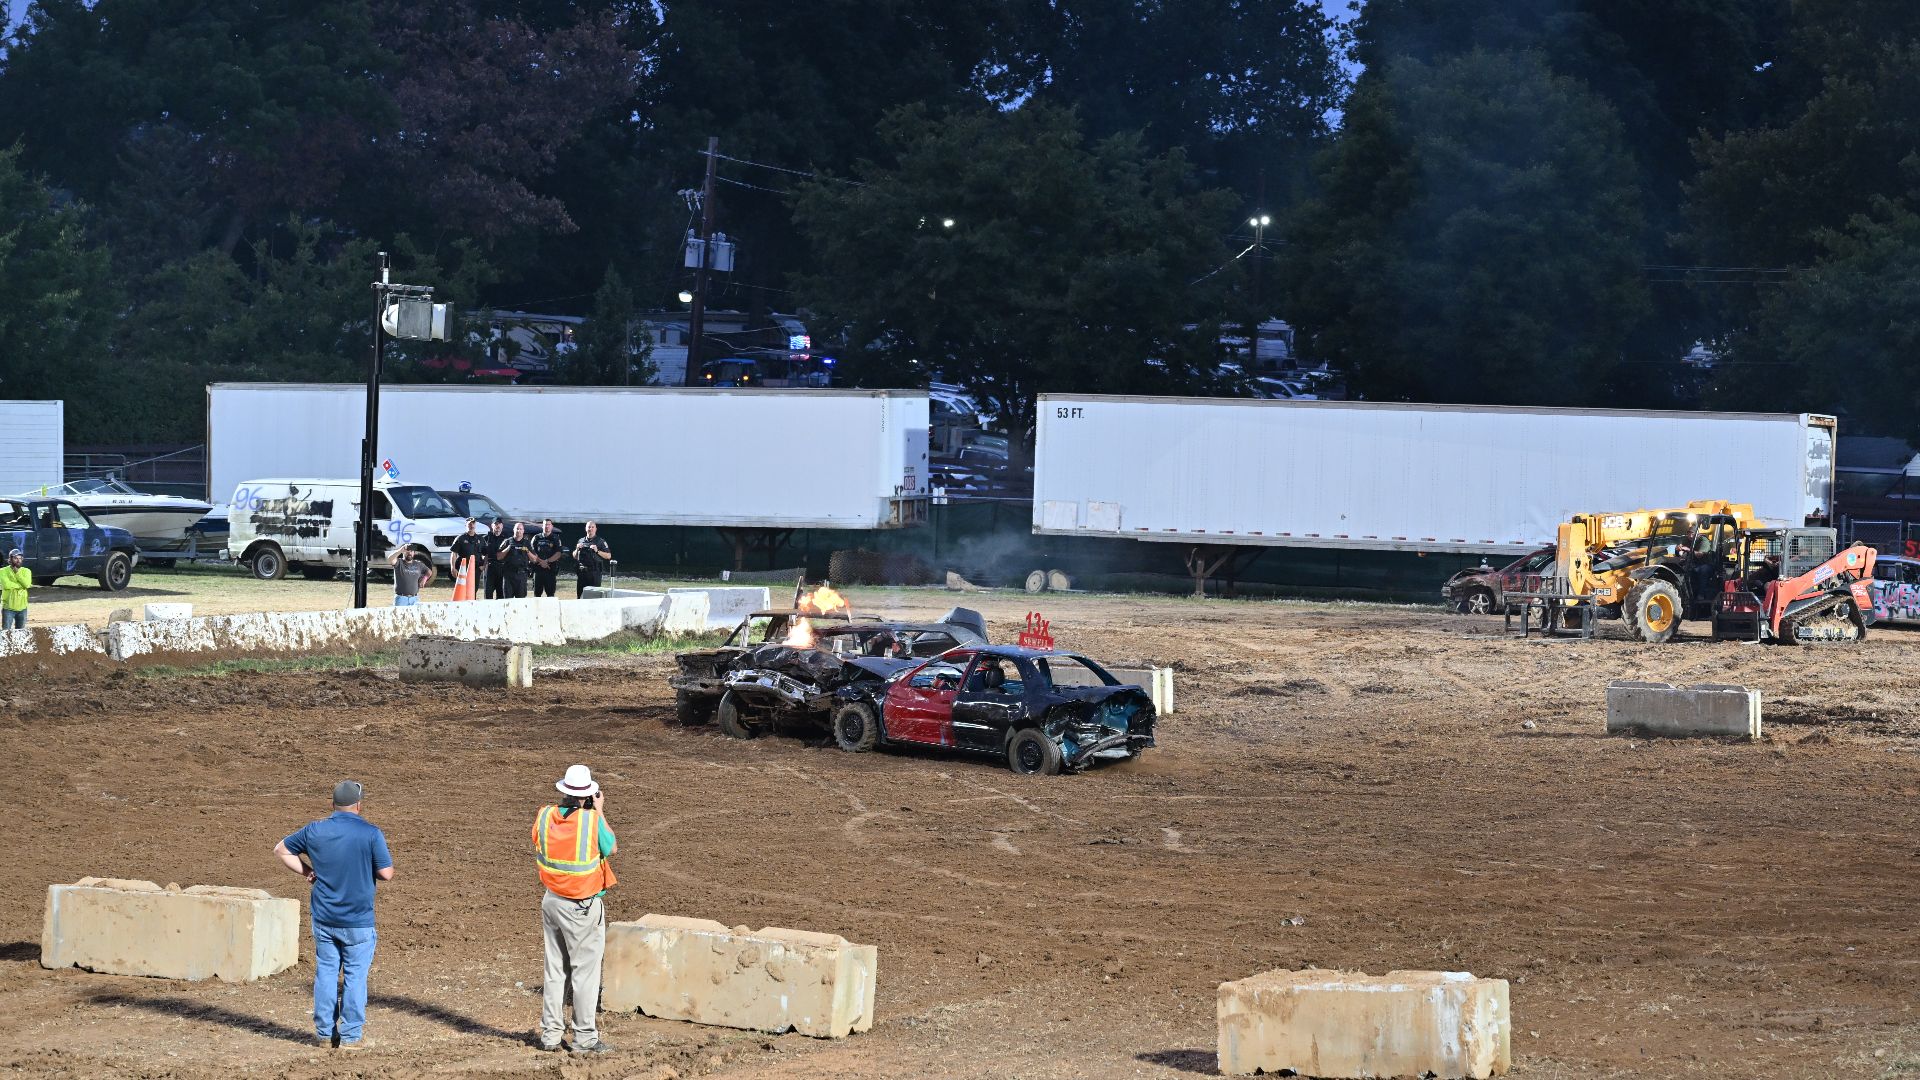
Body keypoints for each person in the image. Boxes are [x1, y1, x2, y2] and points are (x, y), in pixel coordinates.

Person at [275, 781, 394, 1050]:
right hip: (358, 921)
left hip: (324, 916)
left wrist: (307, 872)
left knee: (326, 973)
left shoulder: (314, 829)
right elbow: (386, 873)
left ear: (333, 804)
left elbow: (281, 849)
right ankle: (351, 1037)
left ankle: (325, 1035)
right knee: (355, 977)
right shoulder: (371, 833)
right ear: (359, 805)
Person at [534, 765, 618, 1055]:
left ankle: (550, 1035)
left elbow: (539, 841)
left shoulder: (545, 815)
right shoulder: (591, 821)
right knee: (585, 973)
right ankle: (585, 1039)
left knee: (555, 970)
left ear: (564, 791)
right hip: (581, 907)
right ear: (588, 795)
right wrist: (599, 810)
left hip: (552, 901)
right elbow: (612, 847)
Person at [571, 522, 611, 599]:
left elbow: (608, 556)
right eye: (589, 527)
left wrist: (597, 551)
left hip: (594, 573)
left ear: (596, 529)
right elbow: (574, 556)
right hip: (582, 573)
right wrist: (577, 549)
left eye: (593, 527)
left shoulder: (600, 541)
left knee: (594, 597)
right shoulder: (581, 540)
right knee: (580, 596)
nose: (591, 529)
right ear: (586, 528)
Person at [449, 519, 486, 597]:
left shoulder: (481, 539)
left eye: (473, 524)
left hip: (476, 569)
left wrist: (484, 566)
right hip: (463, 569)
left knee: (473, 590)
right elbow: (454, 553)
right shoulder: (460, 538)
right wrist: (453, 567)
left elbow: (486, 554)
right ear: (466, 526)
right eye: (469, 524)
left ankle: (472, 605)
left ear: (475, 525)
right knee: (462, 589)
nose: (471, 526)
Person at [530, 519, 565, 598]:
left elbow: (558, 553)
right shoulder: (536, 537)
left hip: (550, 570)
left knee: (550, 595)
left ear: (552, 526)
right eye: (545, 524)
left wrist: (546, 561)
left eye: (549, 524)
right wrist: (541, 561)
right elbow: (531, 552)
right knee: (537, 595)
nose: (547, 526)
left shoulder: (556, 538)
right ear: (542, 526)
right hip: (538, 570)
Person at [500, 522, 534, 599]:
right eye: (517, 529)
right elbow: (499, 557)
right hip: (508, 575)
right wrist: (507, 549)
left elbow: (534, 559)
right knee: (507, 601)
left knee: (521, 601)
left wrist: (527, 551)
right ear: (513, 530)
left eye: (520, 529)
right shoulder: (507, 541)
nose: (518, 530)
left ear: (523, 531)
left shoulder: (527, 543)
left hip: (521, 575)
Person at [0, 548, 29, 630]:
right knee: (6, 632)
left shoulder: (26, 571)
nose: (18, 560)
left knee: (20, 633)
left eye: (20, 558)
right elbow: (6, 585)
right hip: (8, 608)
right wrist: (20, 585)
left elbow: (26, 584)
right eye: (15, 558)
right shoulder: (2, 571)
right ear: (10, 559)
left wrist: (17, 573)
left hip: (22, 608)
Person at [483, 520, 509, 600]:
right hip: (489, 568)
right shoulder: (485, 538)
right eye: (496, 524)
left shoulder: (507, 539)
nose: (497, 526)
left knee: (501, 594)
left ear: (502, 526)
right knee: (488, 593)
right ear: (492, 526)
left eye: (499, 524)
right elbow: (481, 553)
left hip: (502, 568)